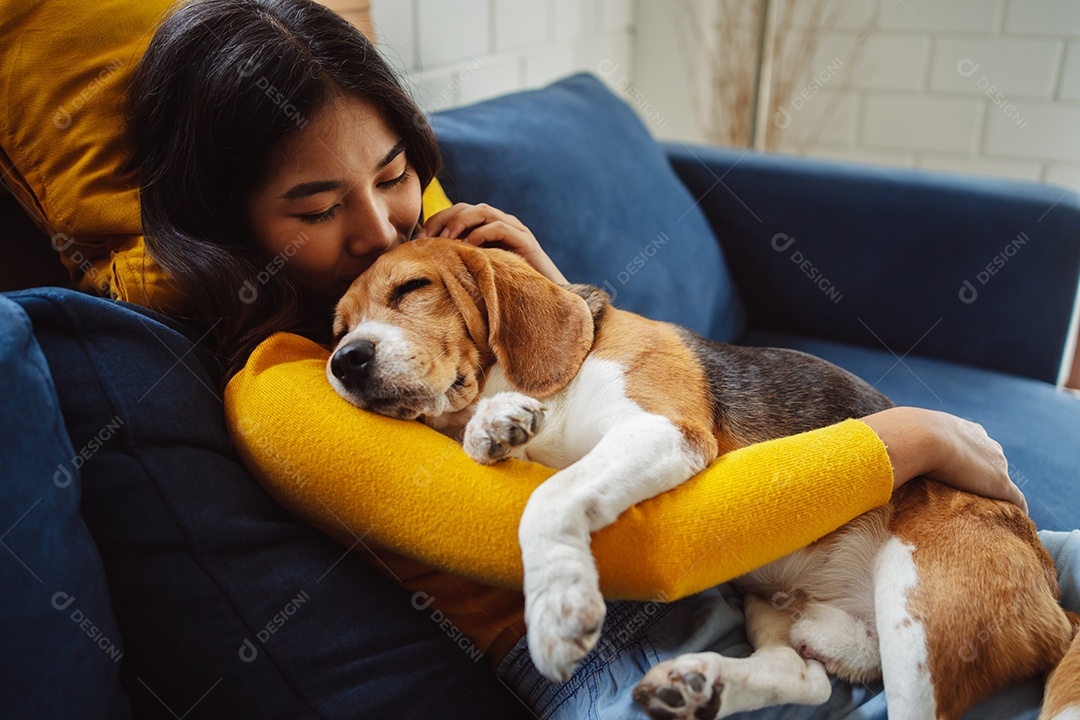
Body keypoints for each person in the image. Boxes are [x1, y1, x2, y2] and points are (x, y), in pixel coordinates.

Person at [123, 1, 1049, 717]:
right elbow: (652, 546)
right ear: (229, 231)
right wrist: (912, 437)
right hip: (622, 629)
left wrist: (549, 300)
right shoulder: (287, 394)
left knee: (1045, 565)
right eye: (318, 209)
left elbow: (612, 404)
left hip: (776, 577)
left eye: (395, 172)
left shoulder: (455, 266)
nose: (380, 229)